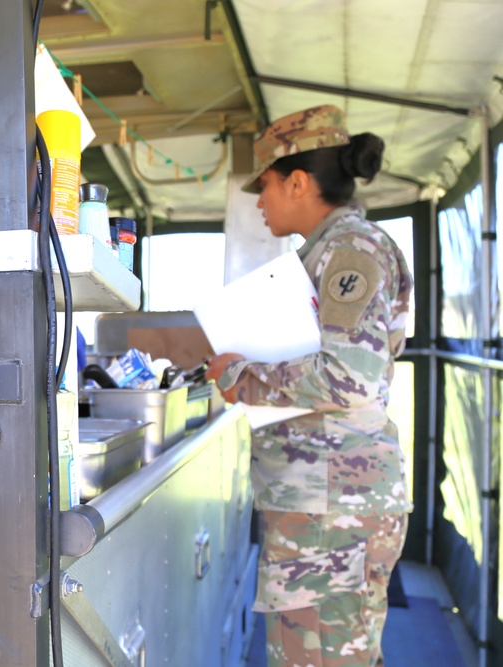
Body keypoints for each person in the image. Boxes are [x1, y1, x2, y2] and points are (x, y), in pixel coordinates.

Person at [205, 105, 413, 667]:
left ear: (298, 181)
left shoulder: (352, 250)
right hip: (325, 504)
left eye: (266, 184)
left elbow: (350, 376)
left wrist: (240, 375)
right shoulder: (327, 251)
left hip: (335, 509)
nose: (259, 200)